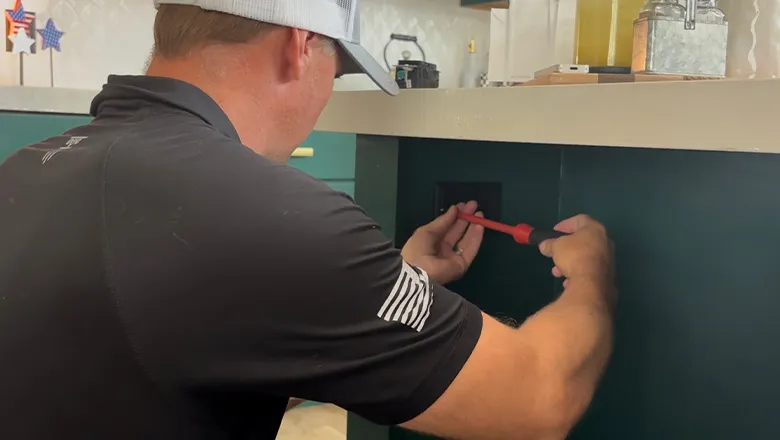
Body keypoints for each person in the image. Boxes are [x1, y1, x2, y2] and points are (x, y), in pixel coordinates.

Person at [0, 1, 617, 439]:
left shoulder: (25, 169)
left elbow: (173, 358)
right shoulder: (274, 216)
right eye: (338, 69)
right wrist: (592, 273)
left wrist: (390, 282)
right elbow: (540, 398)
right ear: (300, 46)